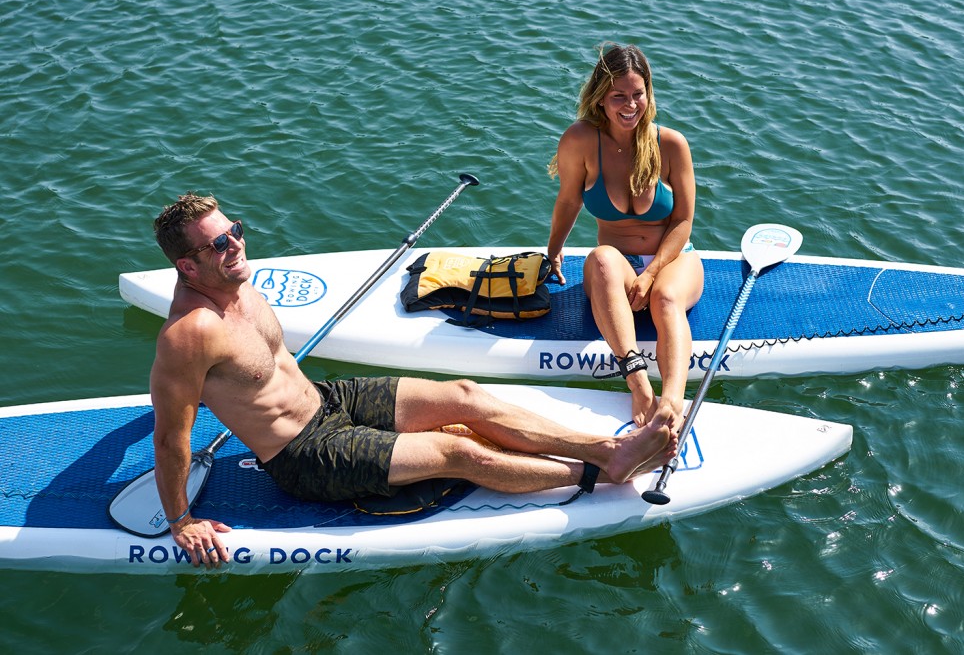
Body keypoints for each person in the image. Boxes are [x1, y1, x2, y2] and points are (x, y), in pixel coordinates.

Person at [149, 192, 678, 569]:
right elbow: (171, 437)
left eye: (235, 230)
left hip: (327, 400)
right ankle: (596, 474)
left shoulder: (237, 282)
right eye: (218, 244)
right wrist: (181, 521)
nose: (235, 245)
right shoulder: (190, 334)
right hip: (304, 455)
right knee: (457, 452)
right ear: (187, 267)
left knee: (464, 395)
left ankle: (607, 449)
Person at [546, 43, 705, 433]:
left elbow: (683, 220)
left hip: (672, 260)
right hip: (617, 270)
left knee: (665, 298)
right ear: (600, 97)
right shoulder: (581, 140)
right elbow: (568, 201)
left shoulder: (671, 144)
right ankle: (638, 384)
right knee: (601, 257)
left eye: (638, 94)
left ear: (649, 93)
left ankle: (673, 402)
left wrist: (651, 273)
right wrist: (553, 252)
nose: (630, 105)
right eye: (618, 96)